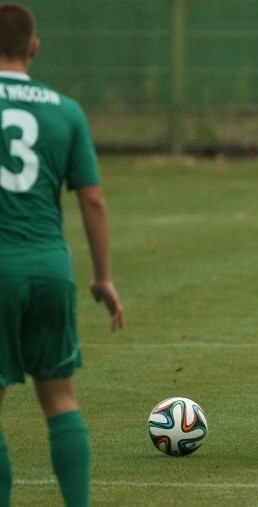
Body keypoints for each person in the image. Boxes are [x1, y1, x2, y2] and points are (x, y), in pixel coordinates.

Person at [0, 3, 124, 506]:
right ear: (34, 47)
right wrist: (103, 278)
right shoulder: (65, 110)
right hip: (50, 266)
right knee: (60, 399)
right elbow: (91, 198)